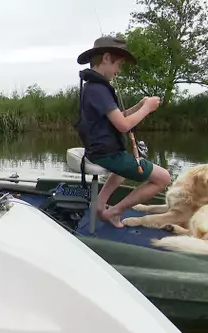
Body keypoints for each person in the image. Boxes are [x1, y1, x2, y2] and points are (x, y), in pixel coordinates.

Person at [74, 36, 172, 228]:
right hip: (106, 154)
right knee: (163, 178)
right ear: (106, 58)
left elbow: (120, 117)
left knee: (119, 173)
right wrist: (148, 109)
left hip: (101, 151)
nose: (119, 71)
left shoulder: (93, 87)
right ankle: (114, 212)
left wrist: (139, 105)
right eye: (118, 65)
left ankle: (100, 205)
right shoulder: (98, 89)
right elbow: (124, 126)